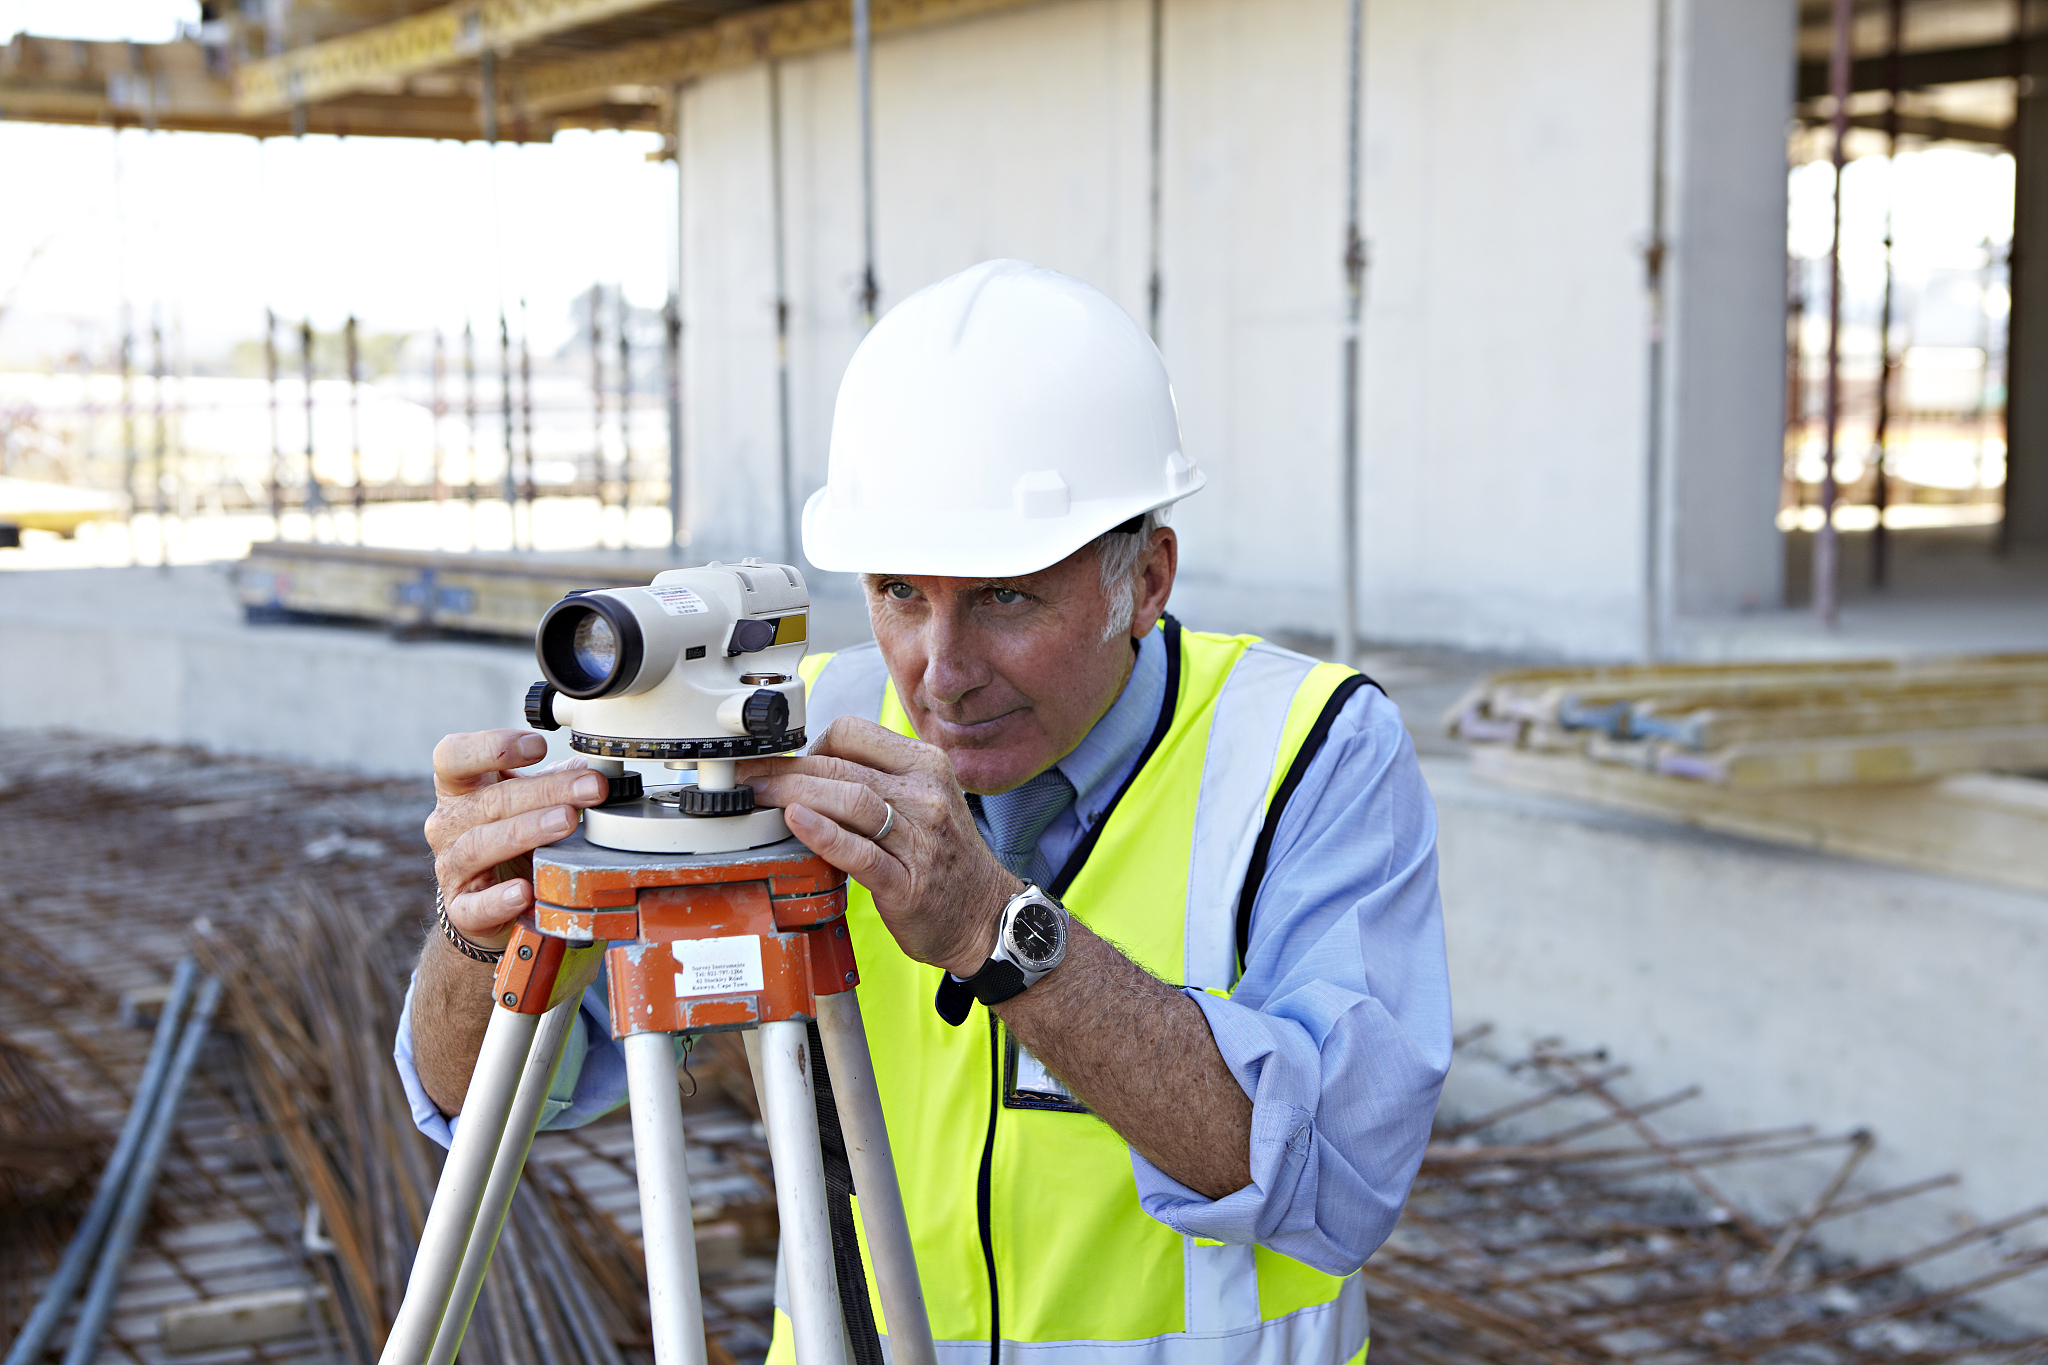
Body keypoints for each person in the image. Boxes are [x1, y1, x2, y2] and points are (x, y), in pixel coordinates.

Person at [398, 259, 1450, 1365]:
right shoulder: (780, 738)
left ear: (1143, 581)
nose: (939, 675)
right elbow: (485, 1097)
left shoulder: (1308, 752)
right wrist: (480, 930)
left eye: (1004, 597)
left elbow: (1335, 1175)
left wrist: (995, 933)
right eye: (900, 594)